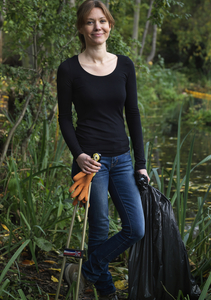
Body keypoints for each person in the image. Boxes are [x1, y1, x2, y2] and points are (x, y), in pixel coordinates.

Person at [56, 0, 148, 299]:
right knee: (98, 230)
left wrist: (140, 163)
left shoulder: (124, 65)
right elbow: (65, 118)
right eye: (90, 22)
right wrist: (78, 155)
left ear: (110, 24)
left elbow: (132, 114)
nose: (97, 27)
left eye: (102, 21)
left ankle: (83, 273)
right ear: (81, 28)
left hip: (122, 159)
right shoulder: (69, 69)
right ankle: (107, 293)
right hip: (90, 162)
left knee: (135, 228)